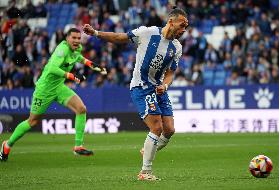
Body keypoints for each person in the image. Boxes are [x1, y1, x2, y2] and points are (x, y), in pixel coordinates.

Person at [83, 8, 188, 180]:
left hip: (159, 89)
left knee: (169, 130)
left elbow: (170, 73)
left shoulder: (176, 47)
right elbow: (119, 38)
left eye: (186, 26)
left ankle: (146, 148)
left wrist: (165, 85)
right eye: (182, 25)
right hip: (141, 86)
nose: (184, 29)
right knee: (156, 127)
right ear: (171, 21)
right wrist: (95, 32)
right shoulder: (147, 33)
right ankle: (145, 172)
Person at [0, 28, 106, 161]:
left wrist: (90, 63)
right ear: (67, 38)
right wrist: (71, 76)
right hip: (44, 90)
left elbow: (77, 57)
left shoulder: (77, 48)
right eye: (73, 38)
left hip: (59, 87)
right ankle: (7, 145)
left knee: (81, 109)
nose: (76, 41)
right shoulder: (62, 50)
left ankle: (78, 147)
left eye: (78, 38)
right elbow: (52, 68)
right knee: (32, 122)